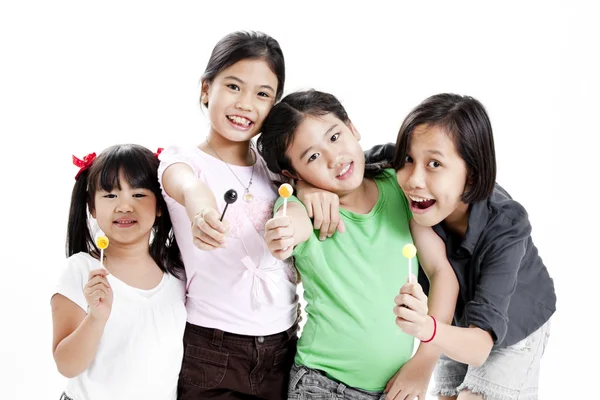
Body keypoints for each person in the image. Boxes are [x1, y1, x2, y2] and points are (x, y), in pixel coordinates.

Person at [258, 89, 458, 400]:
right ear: (293, 174)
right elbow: (290, 223)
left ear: (352, 128)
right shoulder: (302, 207)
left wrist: (424, 361)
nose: (334, 158)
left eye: (335, 137)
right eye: (312, 157)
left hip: (397, 388)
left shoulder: (397, 185)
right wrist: (285, 230)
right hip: (322, 386)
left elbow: (441, 271)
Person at [382, 93, 556, 399]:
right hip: (454, 315)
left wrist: (427, 332)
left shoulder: (507, 224)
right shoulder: (406, 175)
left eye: (434, 164)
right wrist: (315, 192)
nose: (414, 179)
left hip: (513, 319)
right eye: (408, 159)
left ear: (471, 173)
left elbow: (478, 348)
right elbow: (343, 165)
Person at [158, 31, 298, 399]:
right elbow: (188, 187)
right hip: (213, 350)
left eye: (262, 94)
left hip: (283, 346)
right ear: (206, 89)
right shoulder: (182, 160)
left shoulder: (278, 172)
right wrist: (201, 210)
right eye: (234, 86)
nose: (246, 104)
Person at [51, 144, 186, 400]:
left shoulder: (177, 271)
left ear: (160, 205)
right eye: (111, 195)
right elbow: (66, 366)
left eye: (139, 194)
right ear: (91, 207)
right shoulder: (81, 270)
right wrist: (96, 318)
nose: (124, 206)